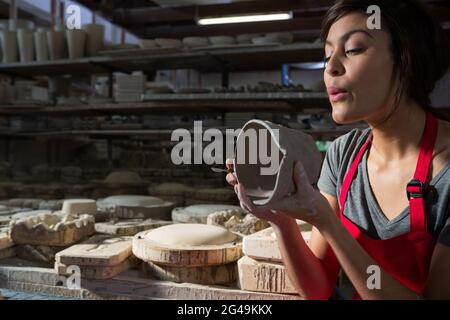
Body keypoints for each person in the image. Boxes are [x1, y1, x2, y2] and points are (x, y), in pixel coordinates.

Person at [226, 0, 450, 300]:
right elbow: (317, 289)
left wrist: (328, 222)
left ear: (406, 59)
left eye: (354, 49)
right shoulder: (344, 155)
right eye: (327, 54)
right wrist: (281, 221)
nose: (330, 68)